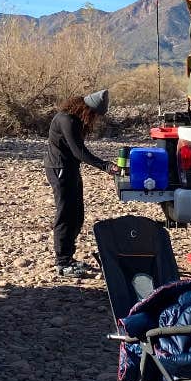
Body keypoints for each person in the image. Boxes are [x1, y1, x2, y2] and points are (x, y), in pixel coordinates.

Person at [46, 88, 113, 278]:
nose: (95, 119)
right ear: (87, 110)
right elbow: (79, 152)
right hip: (60, 169)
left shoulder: (74, 120)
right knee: (66, 215)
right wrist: (106, 166)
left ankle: (68, 256)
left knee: (77, 215)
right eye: (95, 115)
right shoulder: (66, 120)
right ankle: (62, 262)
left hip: (70, 169)